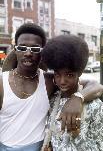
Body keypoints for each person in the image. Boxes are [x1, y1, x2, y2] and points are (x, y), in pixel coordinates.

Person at [0, 23, 103, 151]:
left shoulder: (49, 80)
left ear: (42, 53)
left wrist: (78, 98)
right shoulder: (2, 82)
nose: (28, 53)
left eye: (35, 49)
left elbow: (95, 85)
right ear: (15, 49)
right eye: (22, 48)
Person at [41, 35, 103, 151]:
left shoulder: (94, 105)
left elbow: (99, 145)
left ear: (79, 72)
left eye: (69, 75)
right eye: (57, 74)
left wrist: (77, 136)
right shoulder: (52, 100)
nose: (62, 81)